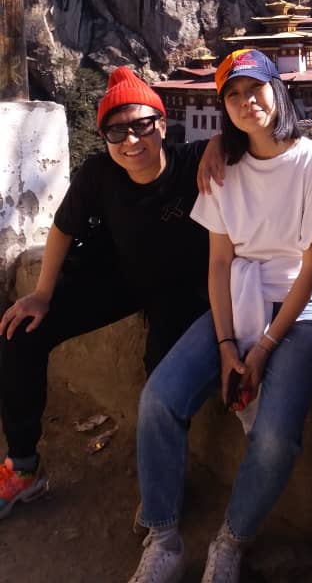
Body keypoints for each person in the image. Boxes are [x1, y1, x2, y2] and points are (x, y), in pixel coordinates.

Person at [127, 48, 312, 583]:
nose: (247, 103)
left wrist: (263, 348)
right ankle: (163, 535)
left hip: (302, 312)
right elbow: (220, 260)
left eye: (256, 89)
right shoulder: (224, 167)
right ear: (224, 107)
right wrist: (226, 346)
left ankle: (231, 540)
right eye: (233, 96)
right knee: (159, 398)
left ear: (278, 90)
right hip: (237, 300)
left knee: (273, 435)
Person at [0, 66, 217, 521]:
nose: (131, 141)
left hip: (180, 289)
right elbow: (61, 228)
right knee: (21, 335)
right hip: (117, 276)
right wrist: (41, 294)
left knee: (160, 379)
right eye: (117, 130)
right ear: (104, 138)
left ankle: (164, 484)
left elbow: (262, 143)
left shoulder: (195, 161)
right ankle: (24, 469)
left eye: (142, 125)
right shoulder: (100, 175)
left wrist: (224, 141)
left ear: (162, 124)